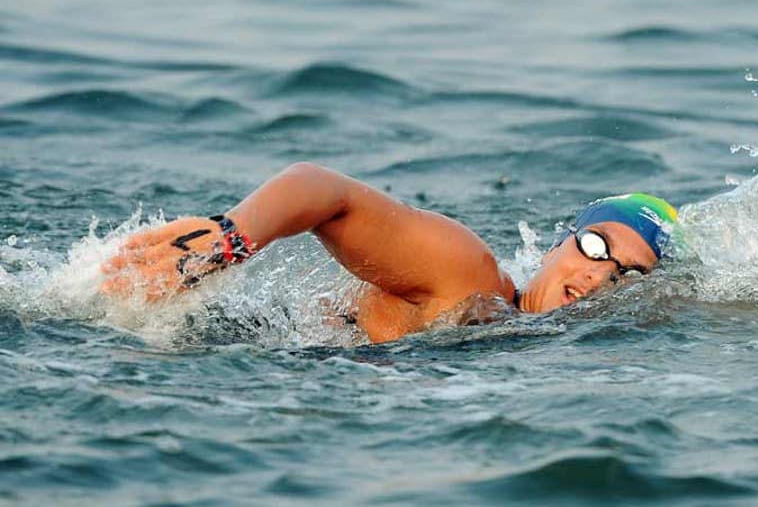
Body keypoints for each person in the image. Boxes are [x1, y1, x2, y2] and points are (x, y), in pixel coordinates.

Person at [101, 163, 678, 343]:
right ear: (558, 242)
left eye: (627, 275)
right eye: (597, 246)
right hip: (222, 348)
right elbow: (324, 190)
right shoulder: (468, 276)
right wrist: (230, 237)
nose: (599, 276)